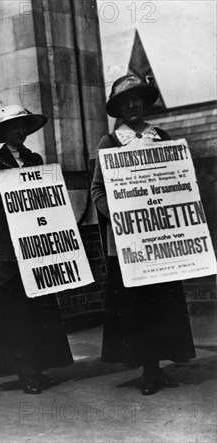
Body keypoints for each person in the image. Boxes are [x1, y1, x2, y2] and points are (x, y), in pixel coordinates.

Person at [91, 74, 196, 395]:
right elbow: (97, 190)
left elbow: (178, 183)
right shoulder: (109, 144)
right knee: (137, 307)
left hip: (160, 240)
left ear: (144, 103)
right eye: (126, 101)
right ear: (119, 107)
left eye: (137, 99)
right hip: (127, 243)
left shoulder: (161, 137)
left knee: (162, 304)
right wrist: (119, 214)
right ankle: (148, 369)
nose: (132, 105)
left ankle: (159, 366)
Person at [0, 105, 73, 394]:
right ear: (3, 132)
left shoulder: (35, 159)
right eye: (13, 127)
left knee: (38, 310)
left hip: (36, 247)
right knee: (16, 313)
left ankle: (39, 366)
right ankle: (25, 372)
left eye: (23, 127)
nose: (19, 132)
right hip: (8, 251)